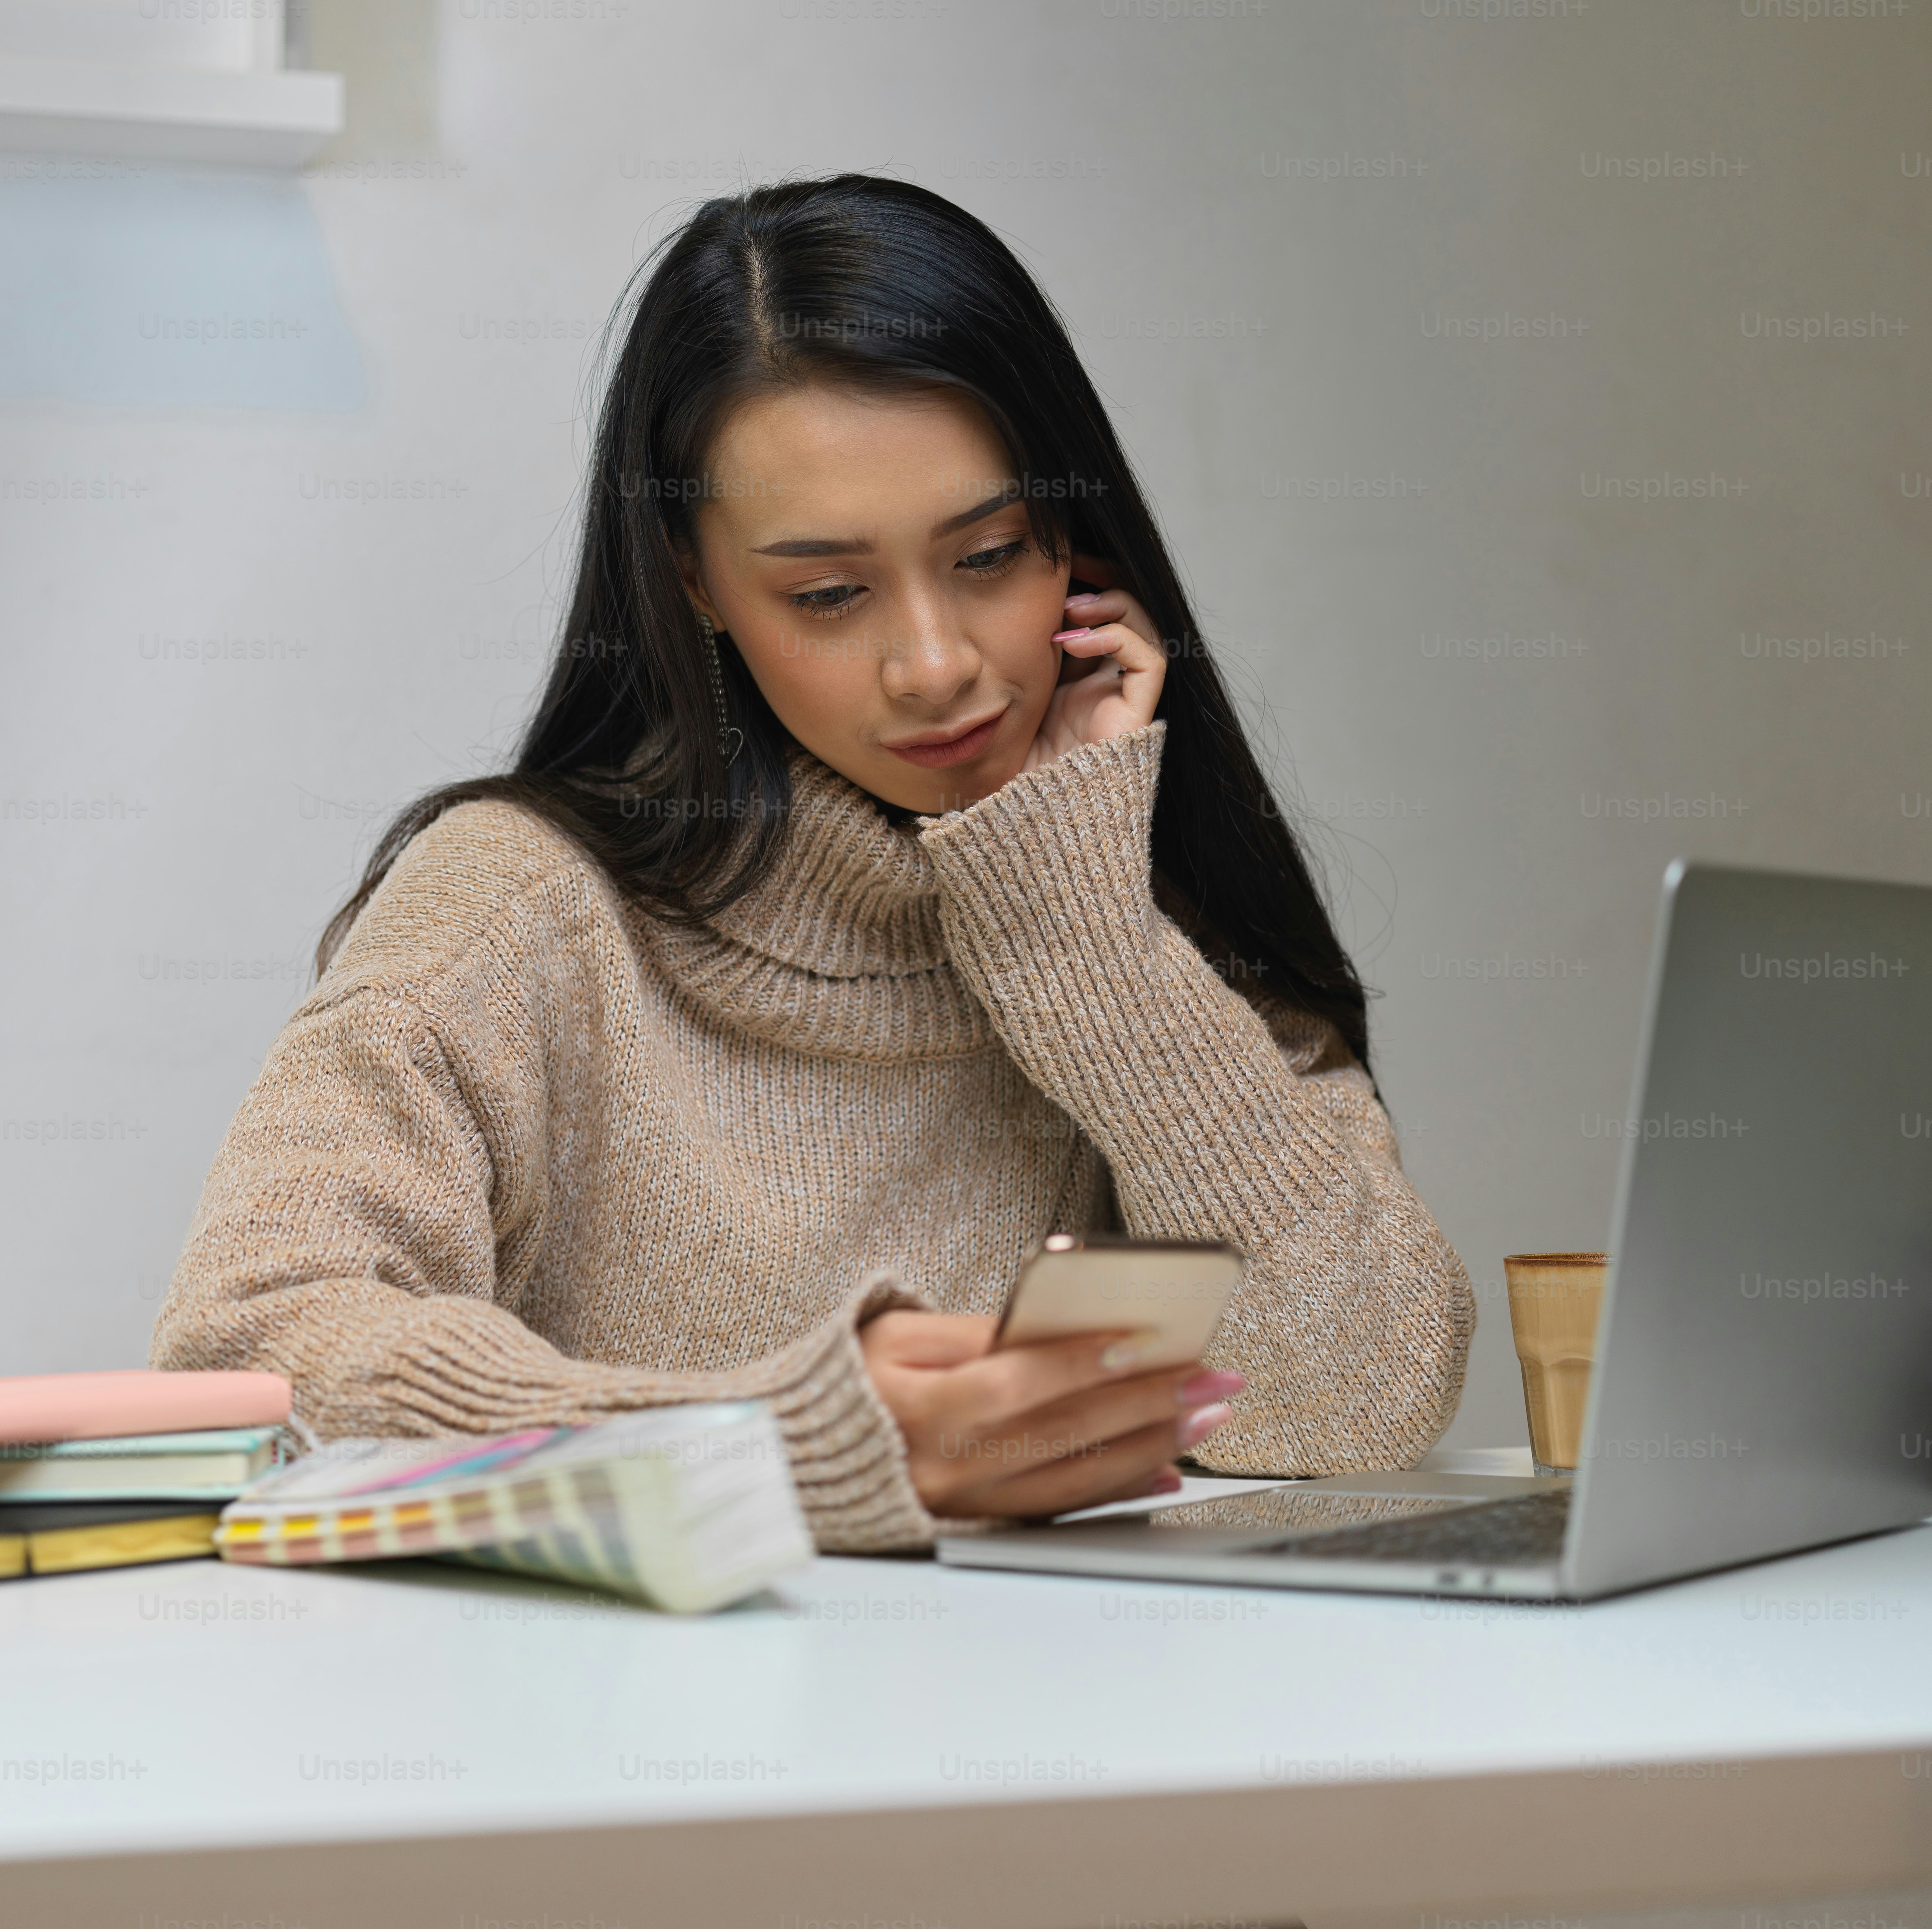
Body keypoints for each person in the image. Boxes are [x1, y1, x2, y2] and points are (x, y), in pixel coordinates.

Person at [151, 176, 1472, 1551]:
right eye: (828, 595)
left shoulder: (1124, 906)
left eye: (990, 553)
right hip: (634, 1746)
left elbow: (1350, 1403)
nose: (936, 664)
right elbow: (241, 1366)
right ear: (695, 584)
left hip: (1066, 1730)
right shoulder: (519, 908)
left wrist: (1081, 937)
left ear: (1074, 538)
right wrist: (784, 1441)